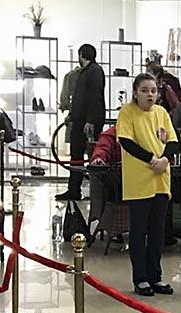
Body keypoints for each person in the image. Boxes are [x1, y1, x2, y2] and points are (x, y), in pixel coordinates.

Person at [116, 73, 178, 296]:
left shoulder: (161, 113)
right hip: (139, 181)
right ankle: (140, 278)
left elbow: (173, 141)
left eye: (153, 91)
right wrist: (152, 160)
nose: (149, 95)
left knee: (157, 232)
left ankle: (156, 277)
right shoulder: (127, 112)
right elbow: (126, 141)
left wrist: (164, 160)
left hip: (161, 179)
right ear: (135, 93)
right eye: (144, 90)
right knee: (139, 230)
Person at [57, 44, 105, 201]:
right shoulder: (85, 72)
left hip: (87, 122)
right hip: (79, 120)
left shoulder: (94, 71)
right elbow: (79, 98)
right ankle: (73, 189)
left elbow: (95, 97)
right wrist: (71, 115)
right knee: (76, 155)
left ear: (81, 54)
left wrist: (91, 120)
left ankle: (94, 191)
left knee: (90, 155)